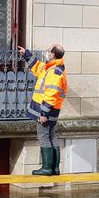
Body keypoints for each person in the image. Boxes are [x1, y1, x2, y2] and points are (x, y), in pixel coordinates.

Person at [18, 44, 68, 176]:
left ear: (53, 54)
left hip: (46, 110)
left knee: (43, 136)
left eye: (49, 51)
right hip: (52, 109)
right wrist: (26, 54)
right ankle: (54, 168)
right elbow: (38, 67)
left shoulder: (54, 71)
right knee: (51, 136)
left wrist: (44, 113)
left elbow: (51, 94)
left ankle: (47, 168)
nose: (47, 52)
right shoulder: (52, 68)